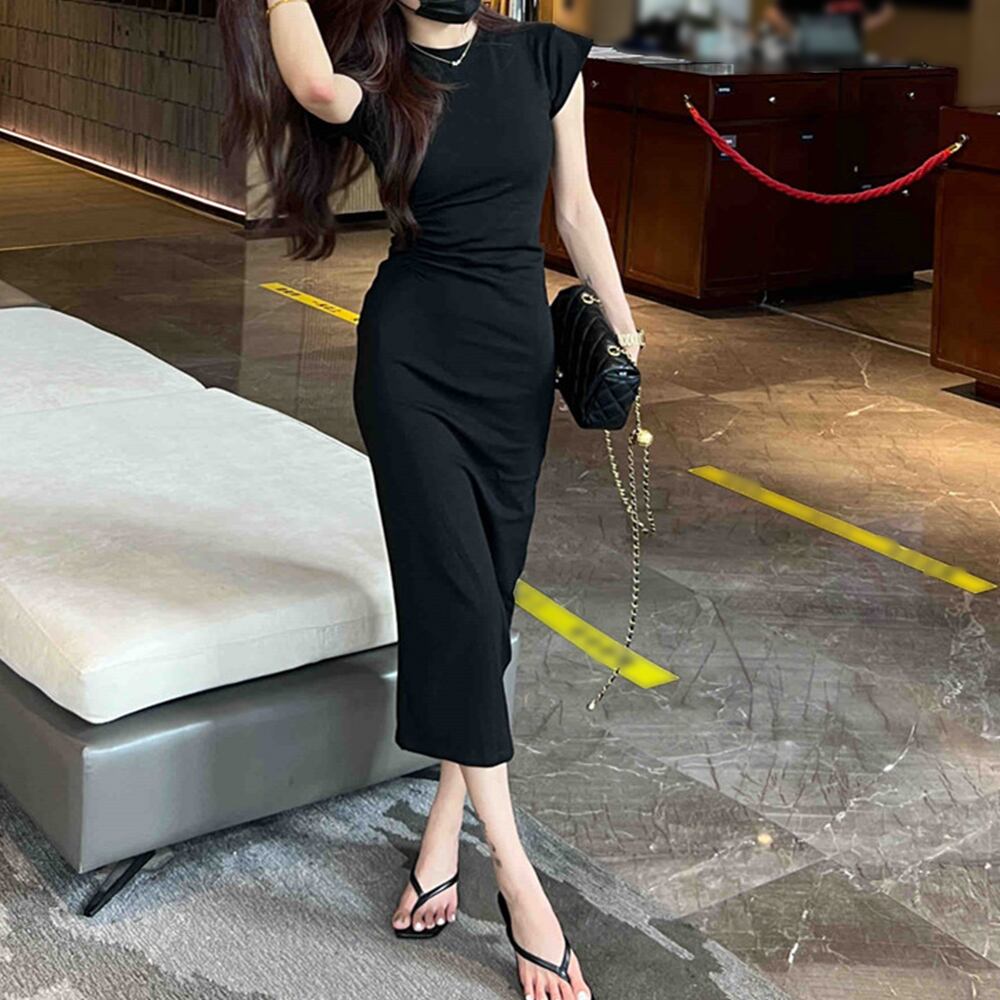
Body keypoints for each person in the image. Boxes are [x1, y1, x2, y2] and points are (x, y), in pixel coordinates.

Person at [218, 2, 645, 998]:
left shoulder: (545, 57)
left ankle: (442, 832)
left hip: (515, 370)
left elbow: (577, 211)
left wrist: (625, 337)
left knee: (484, 602)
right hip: (411, 367)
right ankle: (519, 879)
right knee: (456, 591)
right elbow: (311, 83)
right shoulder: (378, 76)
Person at [764, 0, 896, 40]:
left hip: (848, 57)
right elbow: (772, 13)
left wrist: (859, 28)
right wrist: (796, 35)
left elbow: (887, 10)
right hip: (807, 59)